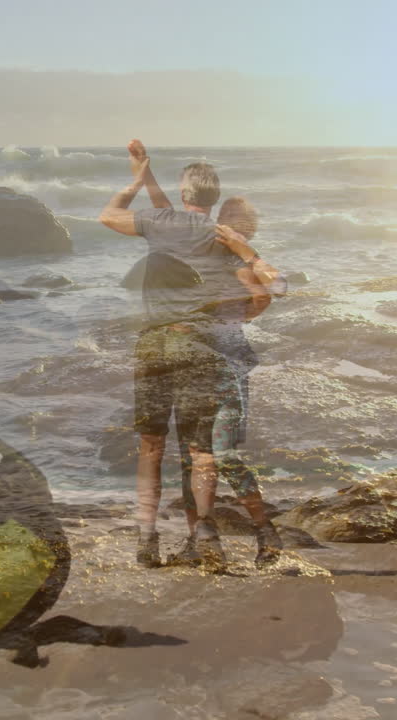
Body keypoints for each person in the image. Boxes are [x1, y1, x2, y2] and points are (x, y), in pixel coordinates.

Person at [99, 140, 283, 569]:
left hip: (154, 346)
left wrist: (135, 182)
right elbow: (264, 293)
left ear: (184, 196)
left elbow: (109, 216)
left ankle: (146, 540)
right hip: (201, 348)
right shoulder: (223, 238)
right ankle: (206, 539)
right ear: (215, 198)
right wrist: (240, 318)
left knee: (150, 446)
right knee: (202, 452)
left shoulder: (164, 222)